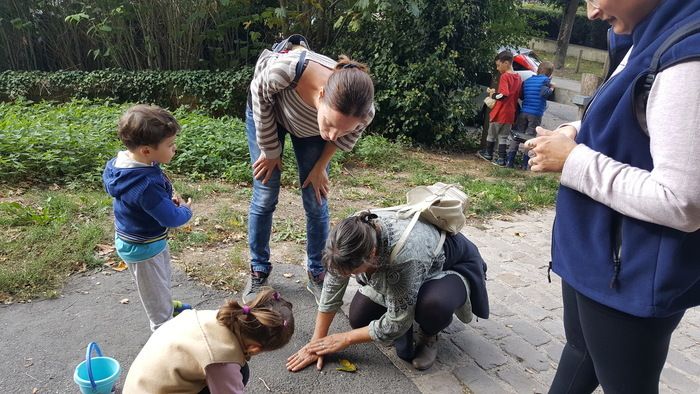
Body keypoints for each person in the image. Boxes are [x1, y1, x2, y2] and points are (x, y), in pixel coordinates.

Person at [525, 0, 700, 392]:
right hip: (599, 261)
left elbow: (684, 202)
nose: (591, 12)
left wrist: (574, 161)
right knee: (579, 353)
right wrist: (573, 130)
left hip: (629, 274)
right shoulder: (647, 34)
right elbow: (631, 118)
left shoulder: (688, 59)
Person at [244, 36, 375, 304]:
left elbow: (339, 138)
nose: (333, 135)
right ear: (322, 94)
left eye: (344, 128)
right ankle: (259, 268)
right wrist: (270, 151)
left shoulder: (364, 113)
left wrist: (320, 167)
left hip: (308, 127)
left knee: (317, 198)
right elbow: (259, 98)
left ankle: (317, 272)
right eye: (331, 122)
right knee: (265, 193)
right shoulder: (285, 70)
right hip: (269, 114)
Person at [286, 210, 489, 372]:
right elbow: (332, 288)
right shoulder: (346, 238)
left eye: (353, 273)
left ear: (372, 255)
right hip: (406, 269)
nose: (348, 277)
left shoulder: (406, 256)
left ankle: (428, 335)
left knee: (432, 305)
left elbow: (396, 322)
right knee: (359, 319)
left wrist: (343, 339)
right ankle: (407, 304)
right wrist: (316, 344)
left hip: (450, 265)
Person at [103, 104, 193, 332]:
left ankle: (164, 304)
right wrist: (185, 210)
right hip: (143, 247)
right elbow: (172, 219)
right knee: (154, 288)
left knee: (160, 279)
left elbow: (147, 204)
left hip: (143, 239)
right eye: (170, 145)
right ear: (145, 150)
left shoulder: (120, 165)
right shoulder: (145, 185)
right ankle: (163, 328)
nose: (174, 149)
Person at [123, 288, 294, 393]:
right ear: (255, 349)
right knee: (240, 372)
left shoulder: (217, 316)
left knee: (241, 370)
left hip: (140, 386)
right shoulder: (221, 359)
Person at [506, 61, 555, 169]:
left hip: (524, 112)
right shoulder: (545, 81)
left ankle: (510, 161)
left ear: (537, 70)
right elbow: (545, 93)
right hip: (536, 113)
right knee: (530, 137)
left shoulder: (528, 81)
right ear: (550, 74)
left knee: (518, 135)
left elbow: (521, 95)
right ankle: (525, 164)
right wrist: (552, 88)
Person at [477, 50, 522, 166]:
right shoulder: (518, 77)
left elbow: (504, 94)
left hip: (500, 111)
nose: (497, 68)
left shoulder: (505, 76)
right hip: (510, 112)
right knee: (503, 137)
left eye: (498, 65)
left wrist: (493, 95)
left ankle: (488, 154)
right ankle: (501, 159)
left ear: (506, 63)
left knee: (491, 134)